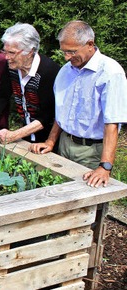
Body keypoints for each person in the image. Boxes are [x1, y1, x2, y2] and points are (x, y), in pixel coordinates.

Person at [29, 21, 127, 187]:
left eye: (72, 51)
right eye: (64, 52)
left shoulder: (110, 72)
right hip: (65, 143)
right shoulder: (66, 71)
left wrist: (105, 166)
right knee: (58, 191)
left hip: (91, 150)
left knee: (86, 199)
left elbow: (112, 122)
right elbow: (62, 112)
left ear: (90, 44)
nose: (67, 57)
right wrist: (51, 142)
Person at [0, 23, 60, 145]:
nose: (7, 57)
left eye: (12, 53)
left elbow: (46, 117)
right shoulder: (11, 68)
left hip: (48, 140)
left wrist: (14, 135)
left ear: (30, 52)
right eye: (5, 51)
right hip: (26, 135)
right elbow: (2, 97)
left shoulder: (48, 72)